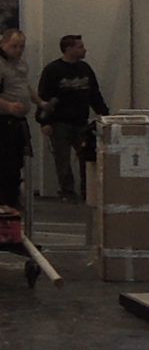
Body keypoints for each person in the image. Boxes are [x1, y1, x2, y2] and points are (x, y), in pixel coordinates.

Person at [36, 34, 107, 205]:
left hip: (81, 121)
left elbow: (94, 94)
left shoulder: (85, 69)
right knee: (62, 159)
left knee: (87, 157)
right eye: (80, 47)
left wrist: (104, 114)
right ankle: (67, 192)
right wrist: (44, 121)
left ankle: (87, 191)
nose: (84, 50)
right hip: (59, 122)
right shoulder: (53, 70)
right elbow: (44, 96)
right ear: (68, 49)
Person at [0, 28, 30, 212]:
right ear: (3, 44)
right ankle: (5, 201)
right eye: (14, 46)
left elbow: (25, 85)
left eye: (22, 46)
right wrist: (8, 106)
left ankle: (12, 198)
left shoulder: (20, 64)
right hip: (4, 121)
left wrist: (39, 101)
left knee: (17, 163)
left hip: (19, 121)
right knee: (6, 164)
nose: (18, 50)